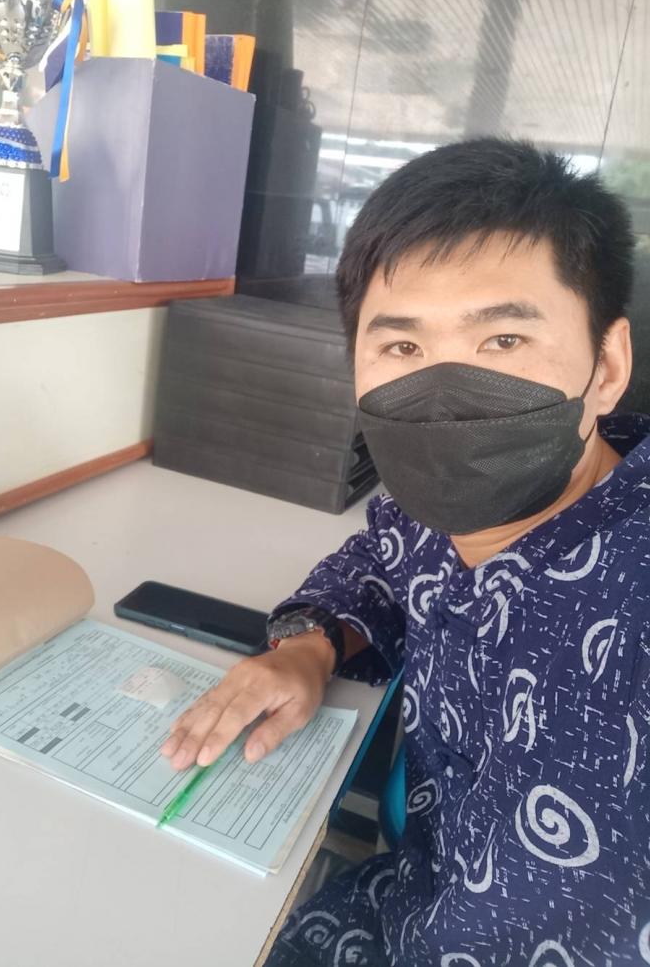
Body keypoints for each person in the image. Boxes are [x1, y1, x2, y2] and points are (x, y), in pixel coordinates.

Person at [160, 138, 650, 965]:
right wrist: (309, 647)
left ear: (606, 366)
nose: (445, 397)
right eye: (403, 348)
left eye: (503, 341)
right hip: (388, 904)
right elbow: (379, 567)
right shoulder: (429, 512)